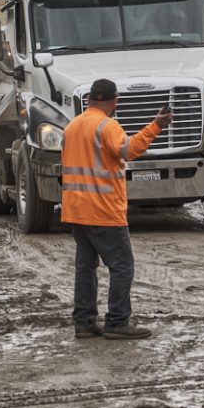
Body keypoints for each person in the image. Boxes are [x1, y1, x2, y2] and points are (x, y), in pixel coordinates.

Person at [60, 79, 171, 340]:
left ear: (89, 100)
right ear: (115, 101)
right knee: (122, 266)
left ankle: (84, 323)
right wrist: (156, 126)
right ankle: (117, 321)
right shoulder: (107, 126)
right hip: (104, 209)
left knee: (85, 267)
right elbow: (129, 151)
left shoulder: (72, 126)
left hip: (76, 209)